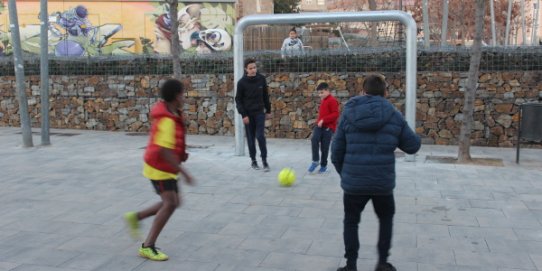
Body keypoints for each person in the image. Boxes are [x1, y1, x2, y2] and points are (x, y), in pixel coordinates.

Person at [331, 74, 421, 271]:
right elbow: (413, 146)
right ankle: (382, 263)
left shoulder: (348, 113)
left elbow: (336, 151)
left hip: (354, 183)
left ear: (363, 92)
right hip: (382, 183)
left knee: (351, 222)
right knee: (386, 219)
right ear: (386, 93)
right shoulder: (394, 114)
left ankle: (351, 265)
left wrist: (345, 173)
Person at [124, 79, 194, 261]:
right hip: (160, 167)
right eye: (182, 93)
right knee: (170, 203)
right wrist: (184, 172)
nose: (184, 96)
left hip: (164, 166)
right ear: (177, 95)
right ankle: (147, 246)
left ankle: (136, 217)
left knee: (173, 202)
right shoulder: (167, 119)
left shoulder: (171, 111)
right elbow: (164, 149)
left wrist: (180, 155)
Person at [235, 58, 271, 171]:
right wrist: (243, 115)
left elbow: (266, 96)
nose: (253, 70)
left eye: (254, 67)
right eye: (250, 68)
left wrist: (268, 110)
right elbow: (238, 100)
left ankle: (264, 161)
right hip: (248, 115)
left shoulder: (261, 79)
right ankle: (253, 161)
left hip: (260, 113)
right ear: (246, 69)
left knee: (260, 136)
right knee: (251, 139)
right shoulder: (241, 83)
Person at [308, 82, 340, 174]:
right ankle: (315, 160)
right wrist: (319, 121)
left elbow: (335, 114)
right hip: (319, 126)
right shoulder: (324, 100)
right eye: (319, 93)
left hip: (328, 128)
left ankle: (323, 166)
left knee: (324, 147)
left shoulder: (332, 100)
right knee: (314, 139)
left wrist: (324, 120)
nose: (320, 95)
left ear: (327, 90)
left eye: (321, 92)